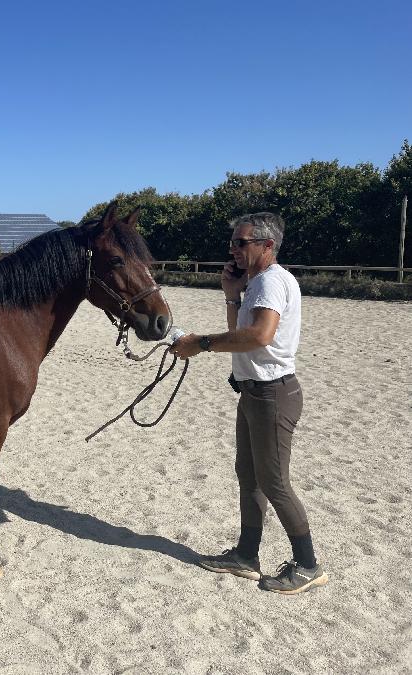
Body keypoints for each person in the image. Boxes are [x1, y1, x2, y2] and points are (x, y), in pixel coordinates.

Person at [170, 212, 328, 595]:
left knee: (274, 483)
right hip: (254, 391)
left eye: (242, 243)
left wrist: (201, 343)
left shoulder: (271, 282)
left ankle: (308, 565)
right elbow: (241, 331)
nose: (234, 250)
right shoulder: (257, 283)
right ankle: (246, 555)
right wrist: (230, 294)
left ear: (267, 246)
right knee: (249, 475)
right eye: (233, 243)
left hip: (273, 393)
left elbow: (259, 335)